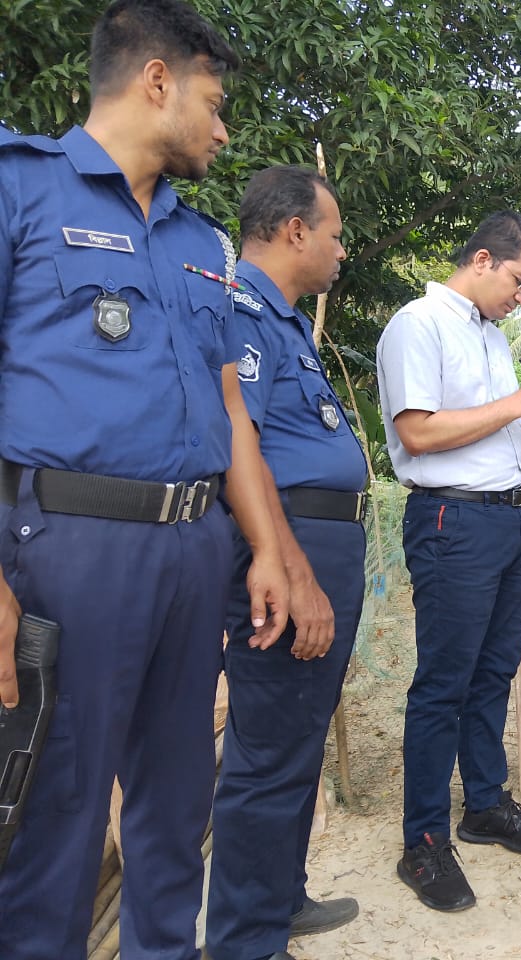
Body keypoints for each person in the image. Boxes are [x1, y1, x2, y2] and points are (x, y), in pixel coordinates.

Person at [0, 3, 291, 958]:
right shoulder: (22, 191)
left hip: (196, 549)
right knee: (56, 821)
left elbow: (231, 414)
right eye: (214, 99)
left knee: (175, 814)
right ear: (156, 80)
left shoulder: (202, 244)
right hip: (70, 552)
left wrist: (264, 551)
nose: (223, 125)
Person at [377, 211, 521, 913]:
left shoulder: (490, 336)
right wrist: (515, 402)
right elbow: (419, 432)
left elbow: (487, 423)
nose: (520, 298)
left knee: (494, 670)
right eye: (519, 283)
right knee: (444, 683)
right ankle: (425, 843)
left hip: (507, 518)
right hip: (451, 520)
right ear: (485, 259)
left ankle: (485, 804)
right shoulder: (419, 324)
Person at [205, 167, 368, 960]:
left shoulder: (289, 321)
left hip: (323, 543)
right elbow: (245, 450)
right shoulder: (241, 308)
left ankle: (280, 900)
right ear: (294, 230)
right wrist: (295, 569)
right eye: (334, 233)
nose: (342, 249)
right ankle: (243, 940)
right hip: (289, 550)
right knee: (267, 753)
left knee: (296, 740)